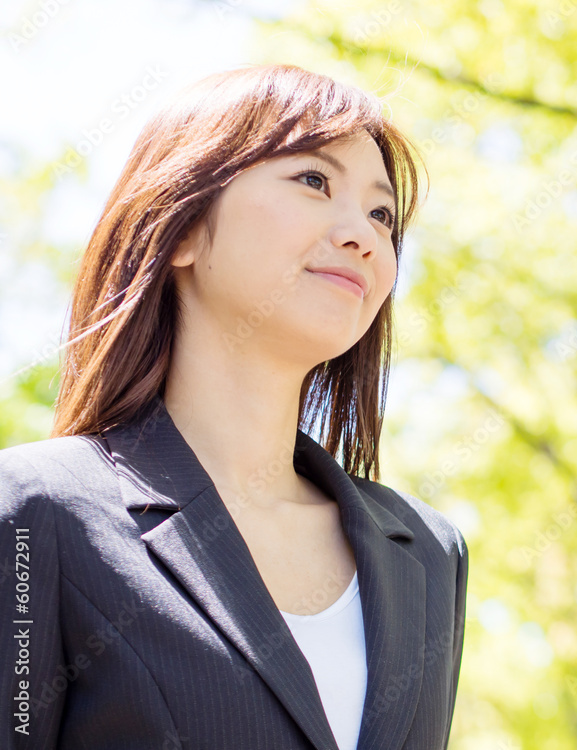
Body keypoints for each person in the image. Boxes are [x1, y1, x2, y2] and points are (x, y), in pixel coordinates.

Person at [0, 63, 469, 750]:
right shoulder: (37, 510)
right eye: (314, 180)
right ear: (182, 229)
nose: (365, 236)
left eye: (382, 214)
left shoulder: (429, 551)